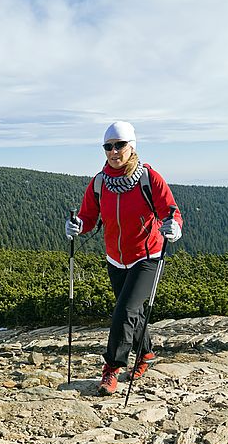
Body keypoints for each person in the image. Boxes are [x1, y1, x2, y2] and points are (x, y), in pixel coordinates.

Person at [65, 120, 183, 396]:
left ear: (132, 146)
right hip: (116, 259)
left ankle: (112, 368)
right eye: (108, 146)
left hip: (147, 256)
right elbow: (88, 216)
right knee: (134, 312)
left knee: (125, 311)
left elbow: (171, 210)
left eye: (120, 145)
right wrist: (77, 225)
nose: (114, 151)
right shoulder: (99, 182)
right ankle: (146, 355)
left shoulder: (148, 178)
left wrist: (174, 227)